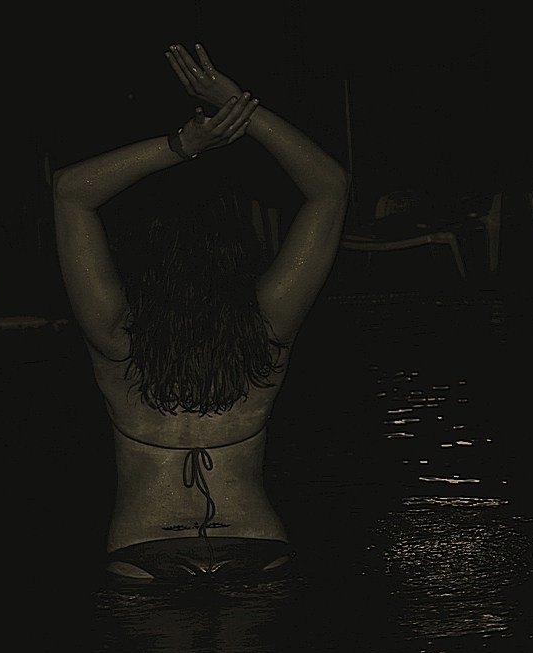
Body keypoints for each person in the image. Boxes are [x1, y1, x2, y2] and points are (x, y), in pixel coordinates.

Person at [53, 43, 349, 580]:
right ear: (238, 252)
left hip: (144, 548)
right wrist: (241, 107)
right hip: (256, 543)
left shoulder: (116, 336)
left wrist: (182, 145)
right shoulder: (266, 331)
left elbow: (71, 192)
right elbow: (330, 189)